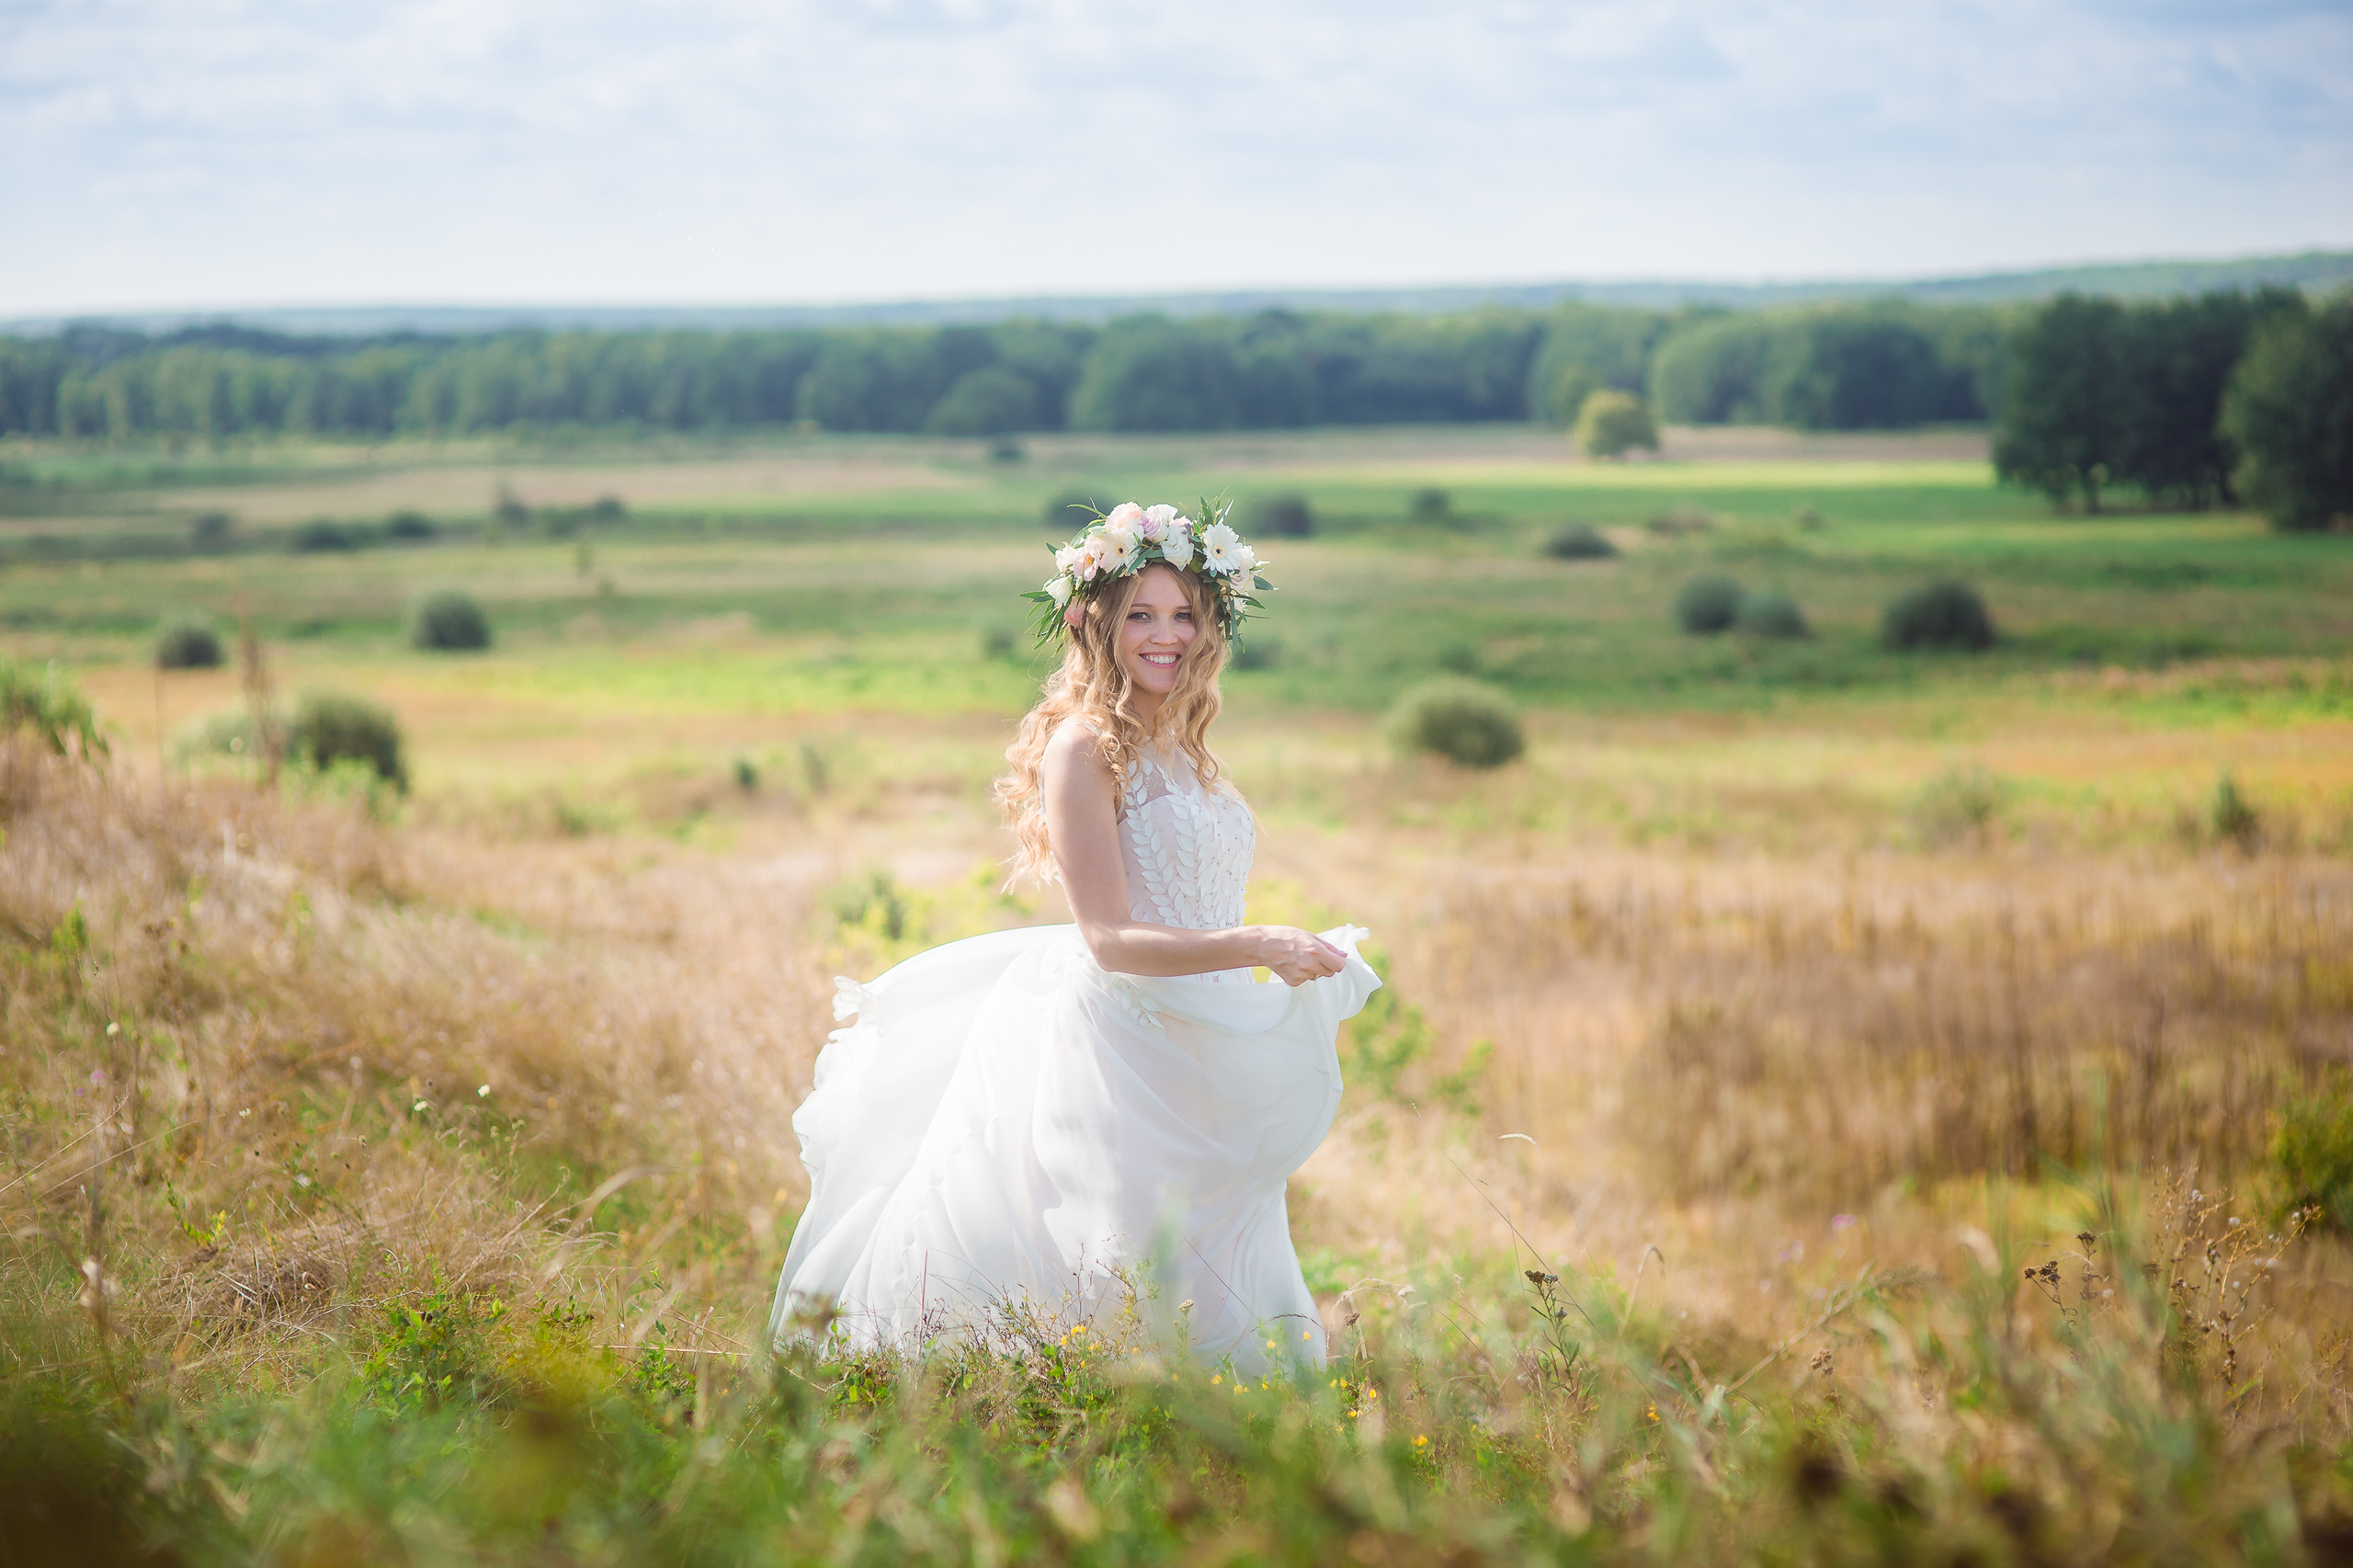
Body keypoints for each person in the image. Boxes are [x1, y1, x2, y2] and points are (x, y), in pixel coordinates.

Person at [769, 502, 1379, 1371]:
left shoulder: (1185, 745)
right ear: (1096, 624)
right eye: (1141, 615)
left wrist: (1278, 955)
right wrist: (1260, 945)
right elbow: (1109, 939)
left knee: (1219, 1258)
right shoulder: (1084, 749)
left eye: (1184, 615)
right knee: (1128, 1269)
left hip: (1209, 1034)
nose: (1166, 636)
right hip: (1126, 1044)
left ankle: (1224, 1431)